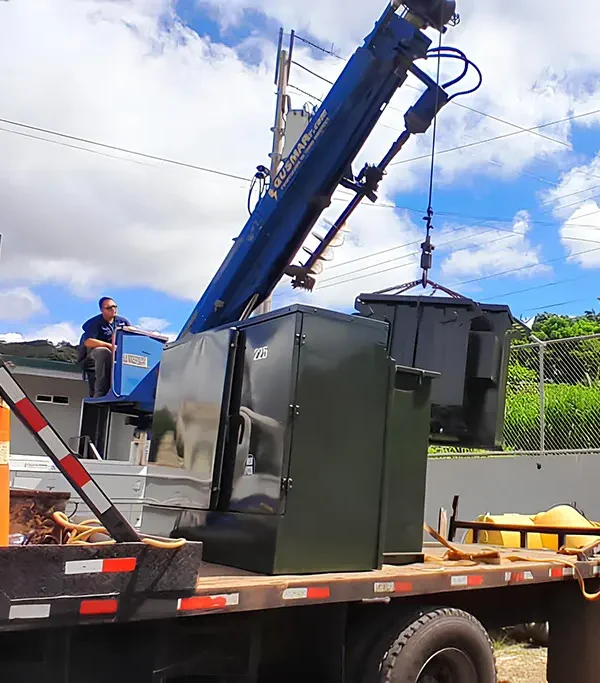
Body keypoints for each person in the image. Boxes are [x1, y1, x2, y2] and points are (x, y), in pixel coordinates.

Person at [79, 297, 131, 397]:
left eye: (114, 306)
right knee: (104, 352)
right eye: (109, 307)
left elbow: (131, 334)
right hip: (91, 357)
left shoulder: (122, 322)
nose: (113, 309)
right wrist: (110, 346)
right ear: (102, 310)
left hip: (115, 355)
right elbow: (88, 342)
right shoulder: (94, 323)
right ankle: (100, 393)